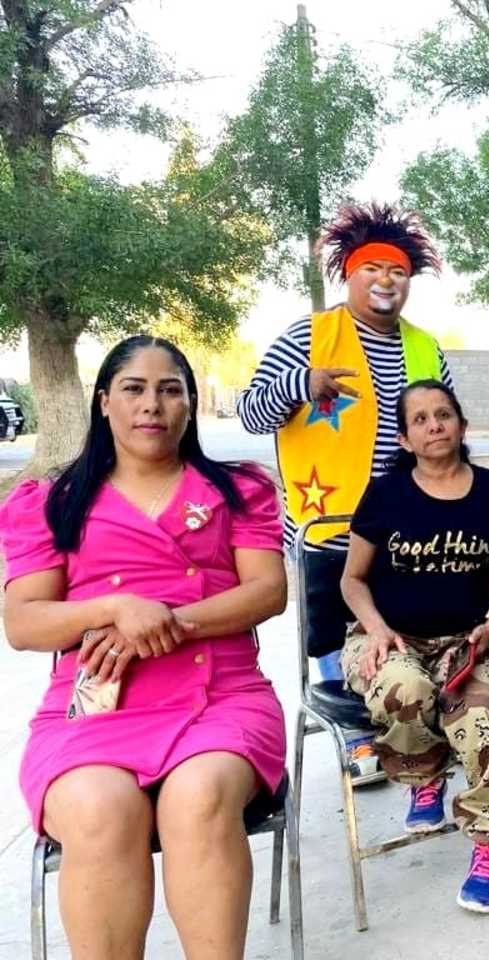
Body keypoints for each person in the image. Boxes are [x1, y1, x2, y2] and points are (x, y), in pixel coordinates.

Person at [0, 336, 288, 959]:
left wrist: (164, 624)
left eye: (170, 390)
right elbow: (23, 623)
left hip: (222, 698)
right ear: (104, 403)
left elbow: (267, 592)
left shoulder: (236, 490)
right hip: (97, 705)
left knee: (200, 797)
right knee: (101, 811)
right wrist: (113, 609)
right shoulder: (56, 501)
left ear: (189, 406)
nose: (151, 405)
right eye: (134, 388)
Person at [237, 202, 453, 786]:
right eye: (373, 269)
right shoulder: (310, 336)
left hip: (409, 524)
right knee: (336, 634)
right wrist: (299, 384)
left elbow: (446, 425)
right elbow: (251, 412)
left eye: (398, 272)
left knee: (402, 628)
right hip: (328, 525)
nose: (386, 281)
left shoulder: (426, 348)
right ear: (349, 274)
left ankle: (408, 727)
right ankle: (356, 738)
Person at [339, 380, 489, 914]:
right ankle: (423, 773)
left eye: (443, 414)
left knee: (477, 719)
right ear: (403, 438)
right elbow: (353, 580)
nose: (434, 425)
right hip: (388, 637)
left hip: (468, 640)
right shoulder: (386, 494)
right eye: (419, 419)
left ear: (462, 425)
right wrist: (376, 630)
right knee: (407, 689)